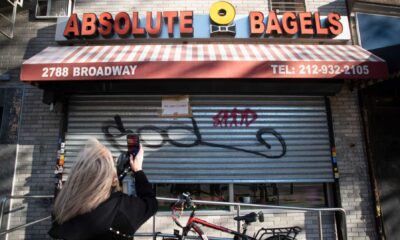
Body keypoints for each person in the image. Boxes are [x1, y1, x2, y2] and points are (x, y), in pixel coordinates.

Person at [48, 139, 158, 240]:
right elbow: (151, 203)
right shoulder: (122, 209)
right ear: (110, 175)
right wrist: (138, 170)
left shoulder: (63, 205)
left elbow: (97, 188)